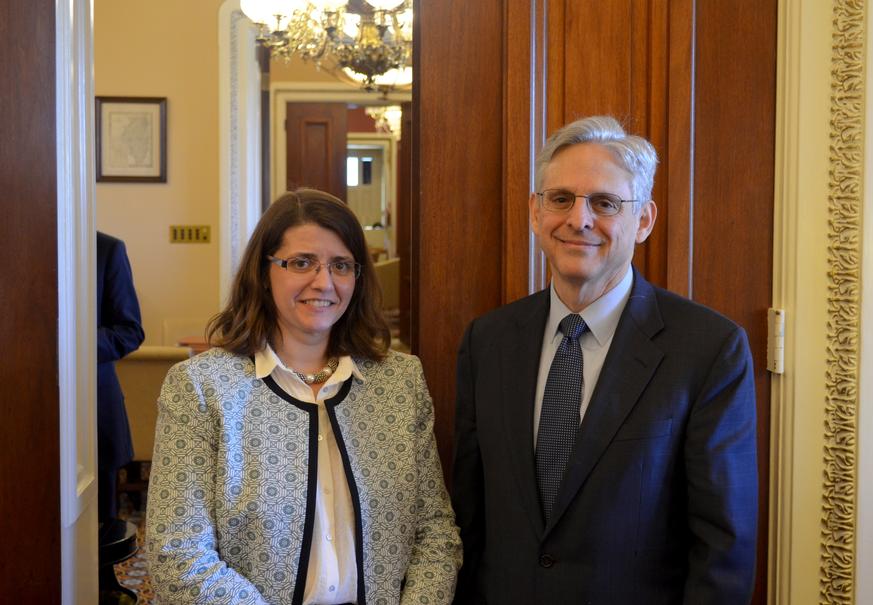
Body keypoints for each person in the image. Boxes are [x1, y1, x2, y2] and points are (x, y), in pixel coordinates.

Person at [451, 116, 757, 604]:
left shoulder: (708, 349)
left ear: (643, 221)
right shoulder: (488, 341)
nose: (579, 219)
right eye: (561, 199)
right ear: (535, 212)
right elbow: (467, 517)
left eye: (605, 203)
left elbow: (723, 546)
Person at [146, 189, 461, 604]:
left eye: (341, 265)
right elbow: (177, 554)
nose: (324, 281)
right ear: (264, 271)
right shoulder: (203, 389)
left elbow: (435, 531)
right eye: (301, 262)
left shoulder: (400, 383)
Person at [96, 230, 145, 525]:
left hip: (95, 414)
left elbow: (130, 331)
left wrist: (75, 341)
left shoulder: (106, 249)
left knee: (100, 532)